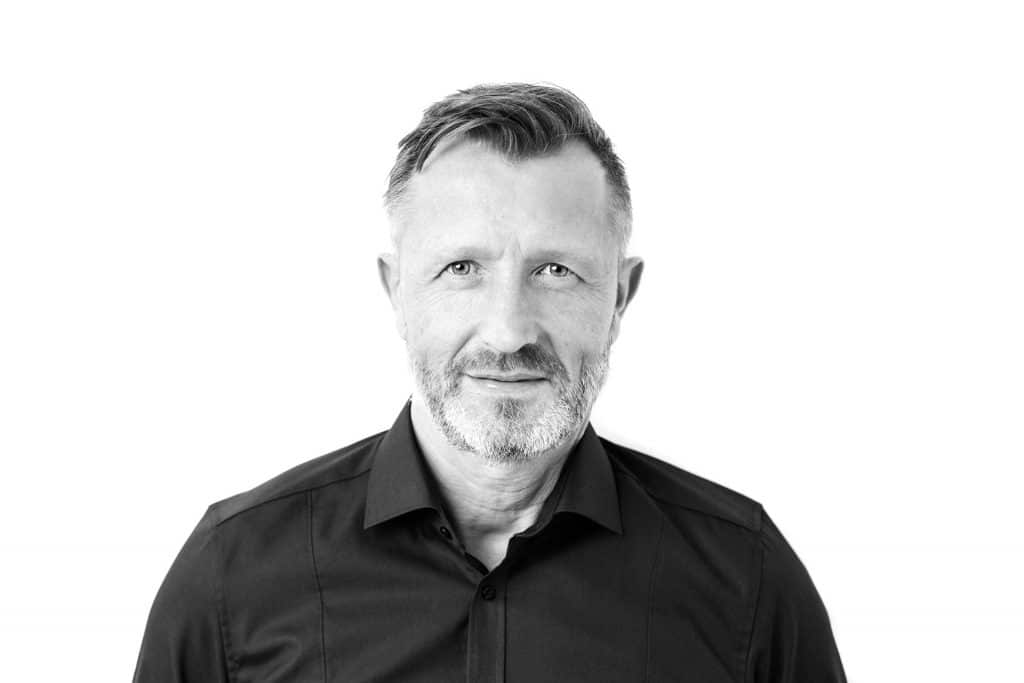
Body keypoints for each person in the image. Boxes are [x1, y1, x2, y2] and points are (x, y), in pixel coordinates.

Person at [132, 83, 846, 682]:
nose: (508, 332)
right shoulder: (232, 577)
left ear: (620, 298)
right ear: (396, 291)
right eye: (461, 269)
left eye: (556, 271)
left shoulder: (746, 582)